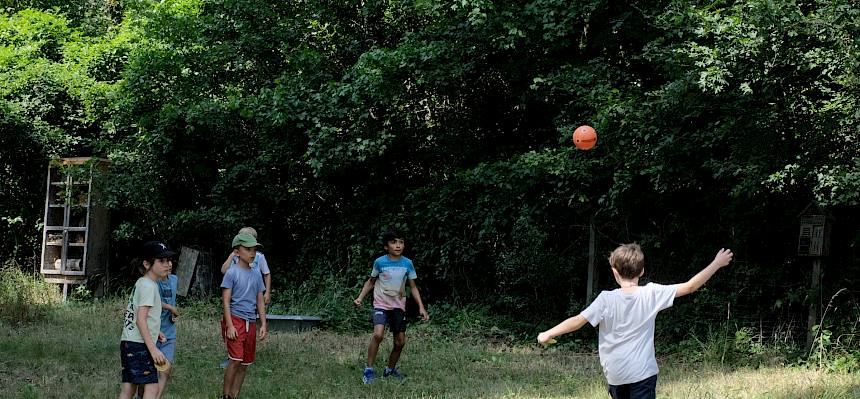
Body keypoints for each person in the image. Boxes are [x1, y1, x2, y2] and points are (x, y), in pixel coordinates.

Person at [537, 243, 734, 399]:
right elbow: (691, 286)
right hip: (643, 375)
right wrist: (716, 263)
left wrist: (548, 333)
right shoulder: (651, 293)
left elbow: (577, 321)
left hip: (615, 375)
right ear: (641, 271)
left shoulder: (606, 299)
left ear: (615, 272)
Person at [353, 230, 429, 384]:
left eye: (401, 242)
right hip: (381, 304)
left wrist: (421, 307)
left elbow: (413, 287)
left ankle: (390, 370)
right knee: (378, 335)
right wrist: (360, 297)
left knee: (400, 342)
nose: (398, 245)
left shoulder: (407, 263)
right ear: (386, 246)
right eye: (394, 242)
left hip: (398, 307)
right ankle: (368, 370)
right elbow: (371, 282)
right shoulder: (380, 262)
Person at [120, 241, 173, 399]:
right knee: (152, 389)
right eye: (161, 261)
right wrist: (153, 349)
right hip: (139, 346)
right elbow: (140, 320)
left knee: (129, 389)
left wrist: (156, 332)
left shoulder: (142, 283)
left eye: (169, 260)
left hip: (129, 342)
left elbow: (142, 316)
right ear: (147, 264)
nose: (168, 264)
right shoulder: (149, 286)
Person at [220, 233, 268, 399]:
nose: (252, 253)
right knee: (235, 360)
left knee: (245, 363)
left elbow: (260, 301)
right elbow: (226, 302)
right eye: (248, 249)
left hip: (251, 323)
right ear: (237, 252)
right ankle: (225, 395)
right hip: (236, 320)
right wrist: (230, 325)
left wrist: (263, 324)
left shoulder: (256, 274)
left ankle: (234, 395)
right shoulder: (231, 273)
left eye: (254, 249)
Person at [221, 227, 272, 305]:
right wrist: (231, 256)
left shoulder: (259, 256)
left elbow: (266, 274)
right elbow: (223, 271)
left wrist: (267, 292)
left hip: (254, 292)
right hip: (237, 295)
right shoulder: (236, 256)